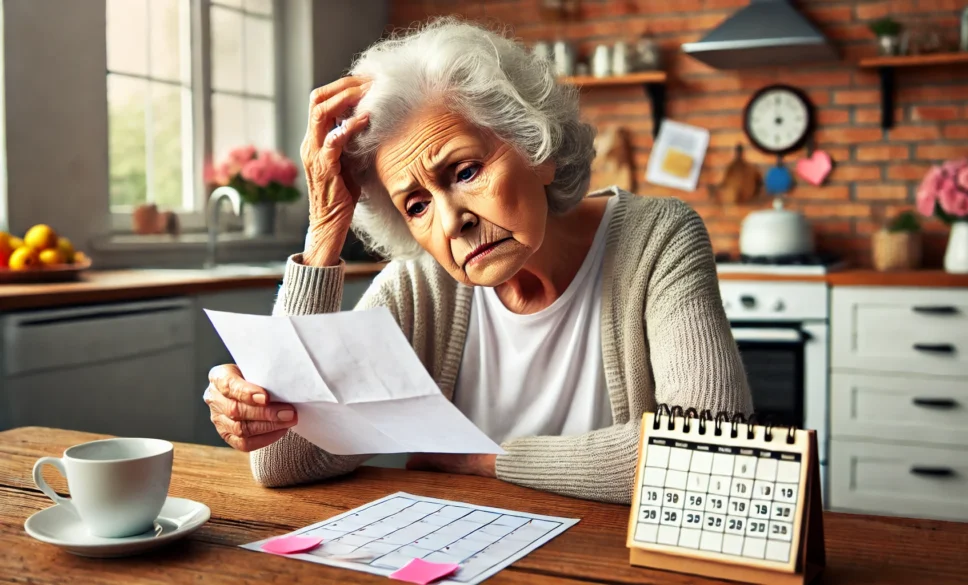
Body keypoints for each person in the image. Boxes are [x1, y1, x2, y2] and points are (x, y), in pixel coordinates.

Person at [203, 17, 751, 504]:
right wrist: (324, 231)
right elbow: (284, 464)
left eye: (464, 172)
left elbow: (708, 453)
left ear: (539, 148)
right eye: (415, 206)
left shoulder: (658, 239)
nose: (451, 223)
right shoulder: (419, 284)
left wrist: (484, 459)